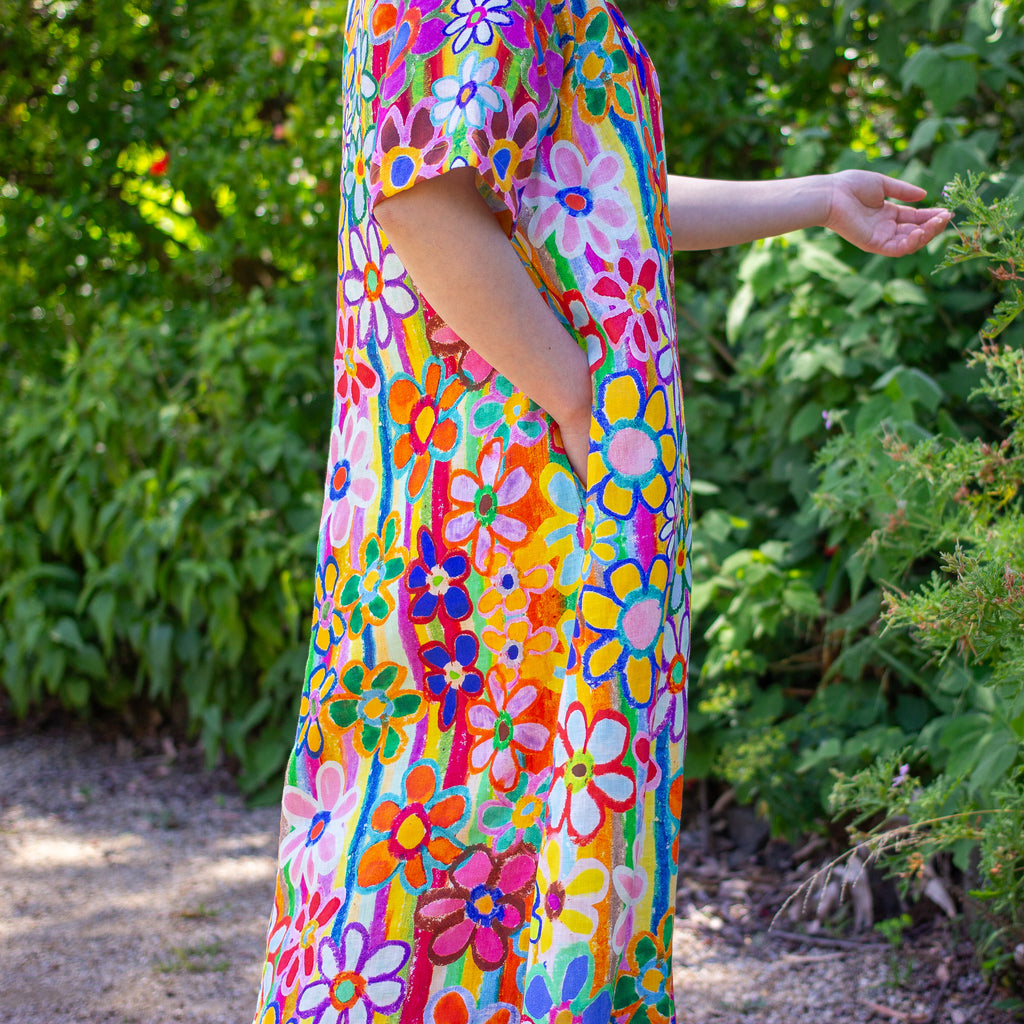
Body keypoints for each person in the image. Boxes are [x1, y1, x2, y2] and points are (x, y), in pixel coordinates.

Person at [251, 0, 950, 1021]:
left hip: (529, 489)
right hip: (508, 502)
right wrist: (584, 406)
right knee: (467, 823)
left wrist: (816, 198)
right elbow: (424, 201)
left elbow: (586, 196)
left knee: (521, 828)